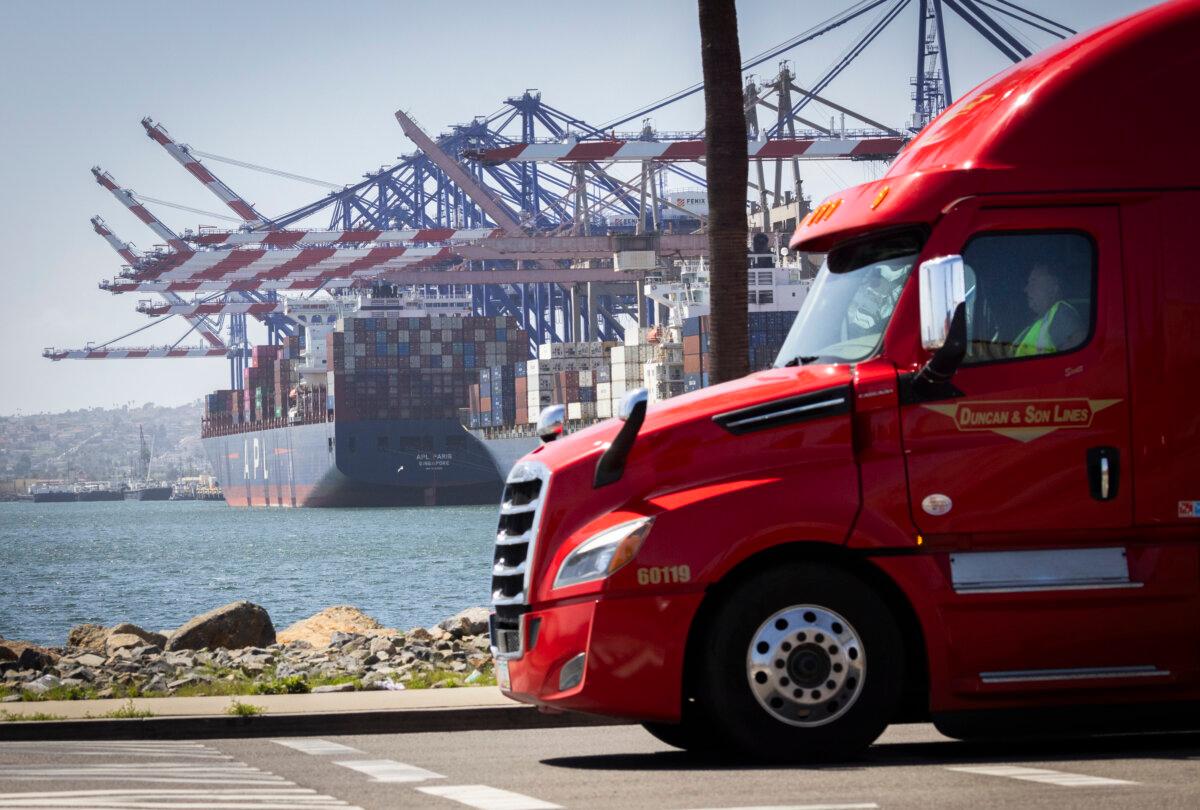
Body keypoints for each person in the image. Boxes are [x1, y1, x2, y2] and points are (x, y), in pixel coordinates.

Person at [1012, 263, 1086, 356]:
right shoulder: (1039, 322)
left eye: (1034, 282)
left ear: (1053, 289)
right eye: (1028, 283)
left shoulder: (1062, 314)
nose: (1026, 289)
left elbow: (1075, 360)